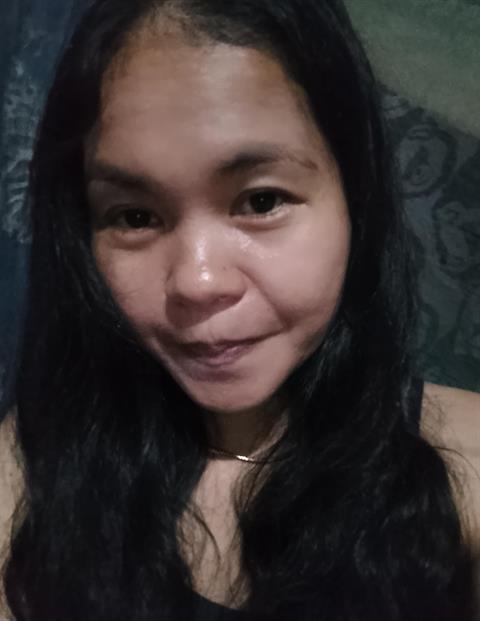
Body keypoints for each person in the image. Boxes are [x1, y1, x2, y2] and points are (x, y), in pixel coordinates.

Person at [0, 0, 479, 619]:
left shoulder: (464, 465)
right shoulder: (29, 472)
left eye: (261, 201)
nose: (197, 283)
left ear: (354, 200)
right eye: (135, 216)